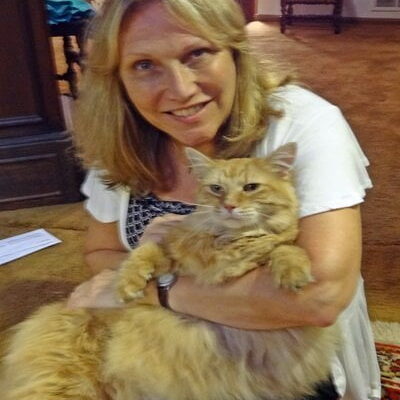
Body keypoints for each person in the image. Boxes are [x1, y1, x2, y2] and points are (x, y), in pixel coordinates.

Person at [69, 0, 381, 399]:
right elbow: (101, 250)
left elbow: (317, 299)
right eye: (144, 65)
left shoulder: (305, 124)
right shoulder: (122, 138)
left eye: (196, 53)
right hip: (164, 348)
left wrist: (158, 289)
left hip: (281, 361)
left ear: (235, 52)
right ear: (118, 79)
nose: (180, 90)